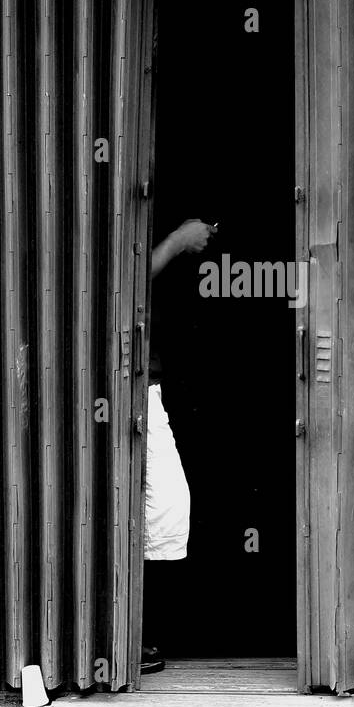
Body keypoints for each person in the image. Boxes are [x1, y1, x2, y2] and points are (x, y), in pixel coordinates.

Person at [141, 218, 214, 674]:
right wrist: (178, 240)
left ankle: (133, 634)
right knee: (163, 506)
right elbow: (119, 275)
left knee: (162, 509)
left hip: (145, 385)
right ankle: (129, 635)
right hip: (127, 385)